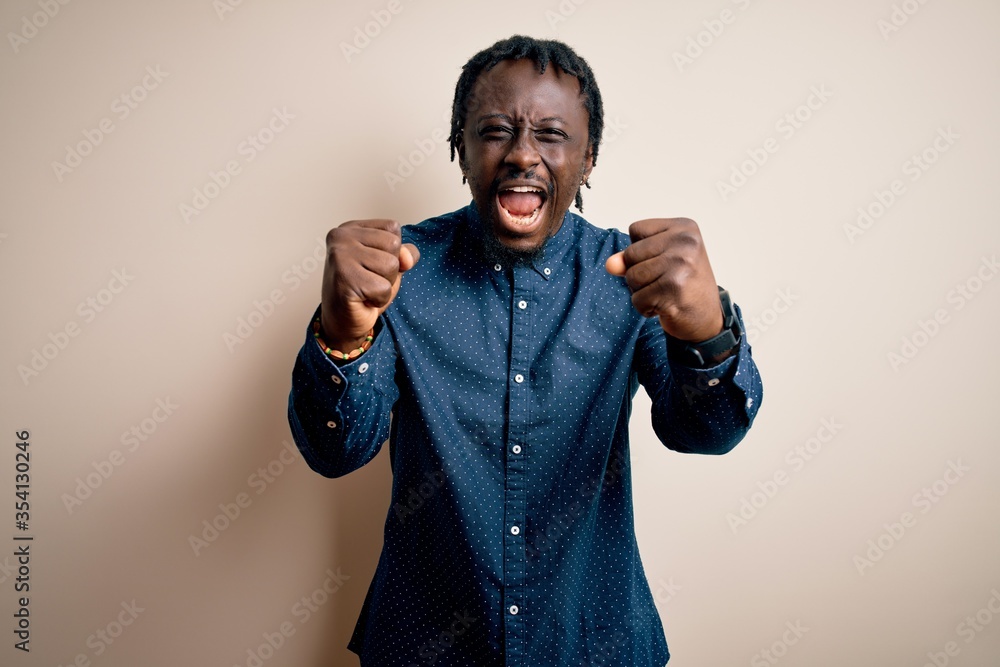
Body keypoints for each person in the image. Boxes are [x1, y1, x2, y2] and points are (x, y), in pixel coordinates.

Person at [287, 35, 763, 667]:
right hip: (423, 647)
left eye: (551, 134)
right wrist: (342, 339)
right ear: (460, 149)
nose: (522, 155)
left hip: (592, 642)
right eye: (495, 130)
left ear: (589, 157)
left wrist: (708, 333)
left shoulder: (635, 281)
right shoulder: (396, 275)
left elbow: (707, 433)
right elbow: (335, 451)